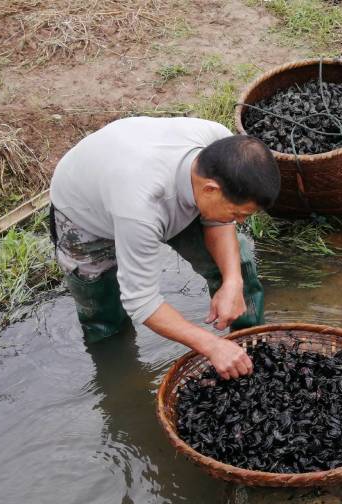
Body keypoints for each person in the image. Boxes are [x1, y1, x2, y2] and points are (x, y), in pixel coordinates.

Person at [48, 116, 280, 380]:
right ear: (210, 189)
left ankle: (251, 354)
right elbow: (141, 300)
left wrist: (233, 282)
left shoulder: (223, 149)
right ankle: (117, 379)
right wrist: (211, 344)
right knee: (103, 315)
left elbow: (218, 220)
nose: (239, 222)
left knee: (239, 266)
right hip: (84, 212)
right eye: (238, 214)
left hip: (144, 186)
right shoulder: (141, 207)